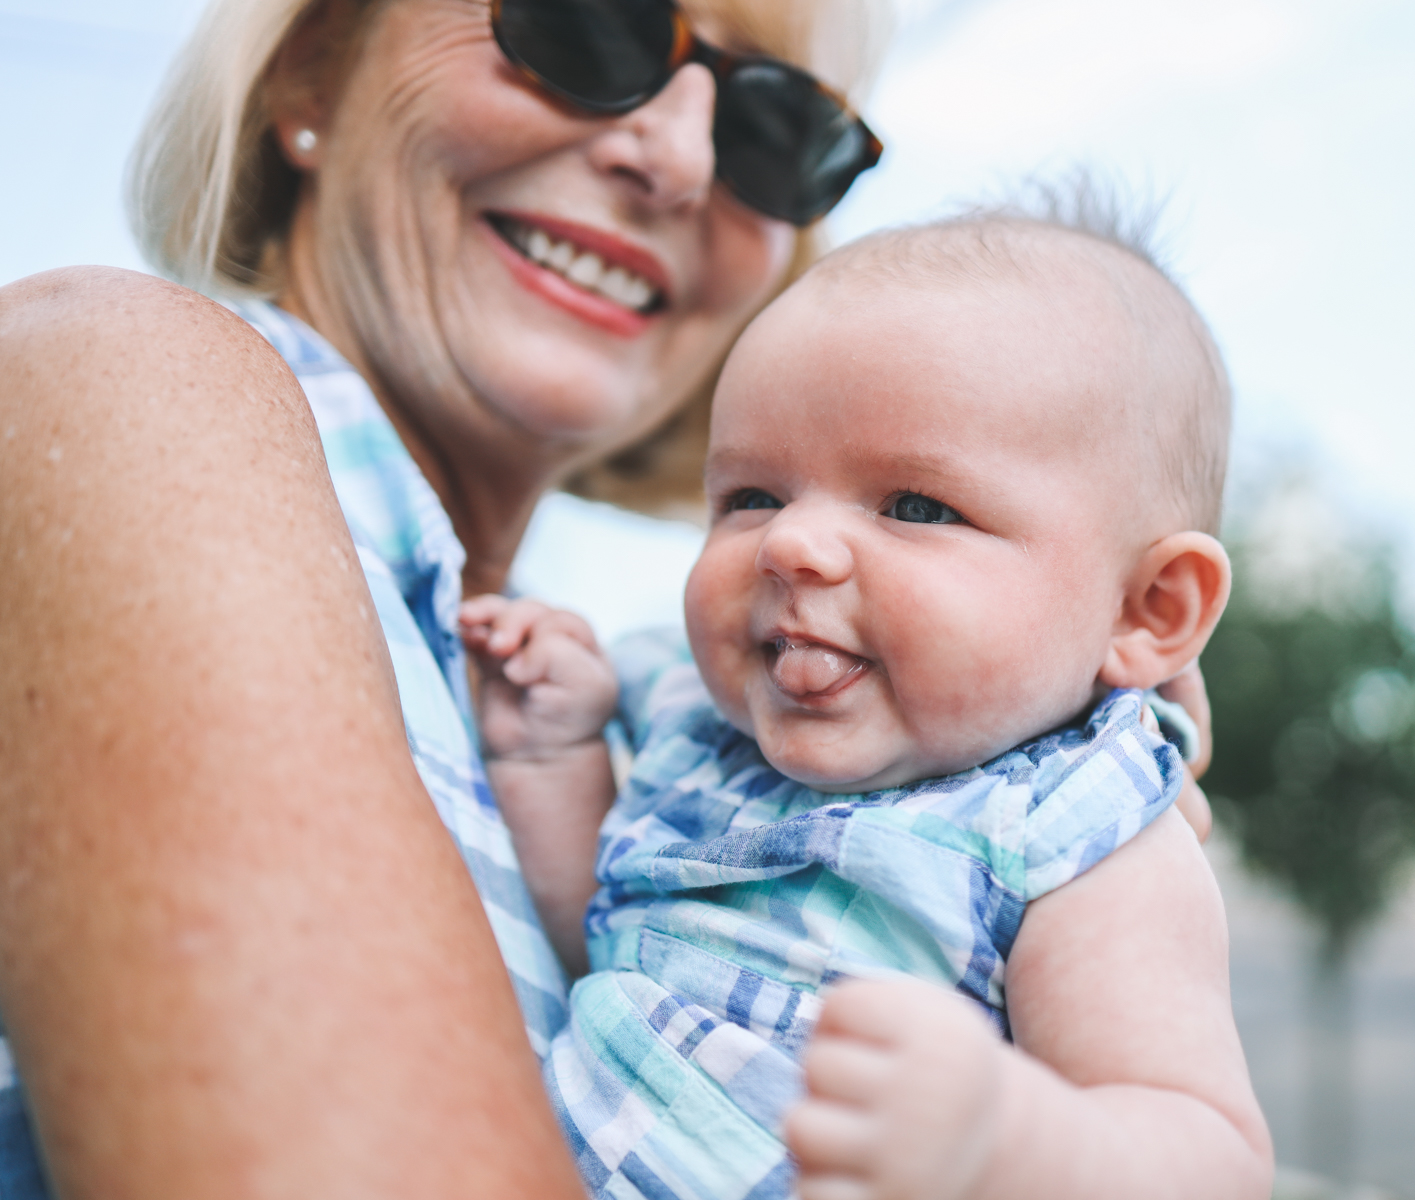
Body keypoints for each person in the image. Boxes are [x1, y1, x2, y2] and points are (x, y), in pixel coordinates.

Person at [0, 0, 889, 1194]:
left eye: (776, 127)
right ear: (311, 72)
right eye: (589, 27)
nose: (675, 159)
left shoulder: (643, 721)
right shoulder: (118, 389)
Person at [459, 211, 1273, 1199]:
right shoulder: (699, 731)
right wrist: (553, 755)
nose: (789, 546)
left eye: (916, 507)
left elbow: (1209, 1154)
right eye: (751, 494)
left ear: (1147, 609)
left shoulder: (1073, 835)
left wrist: (1010, 1139)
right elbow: (587, 936)